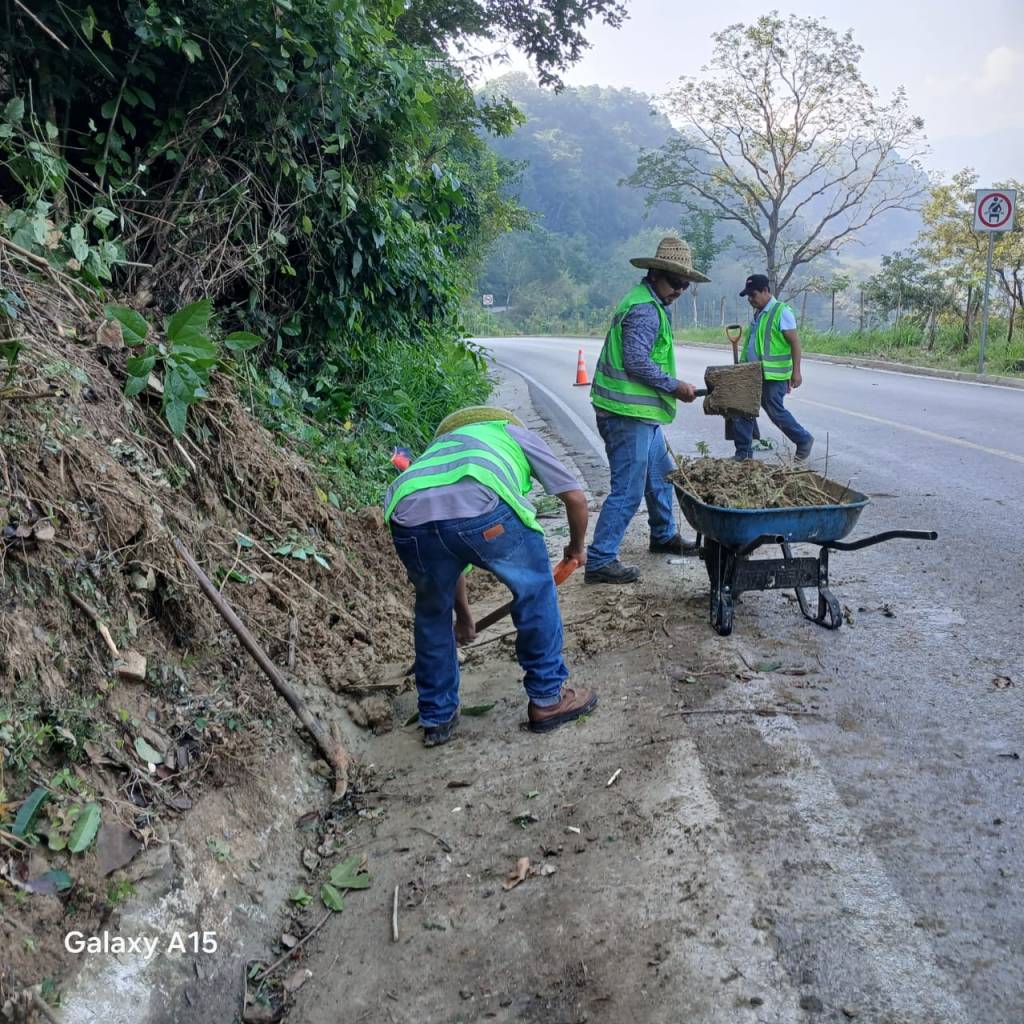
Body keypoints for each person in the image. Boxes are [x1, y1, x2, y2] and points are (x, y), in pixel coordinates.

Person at [384, 406, 595, 747]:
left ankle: (437, 717)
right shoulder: (511, 432)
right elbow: (575, 498)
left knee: (432, 614)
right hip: (484, 512)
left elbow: (452, 552)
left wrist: (463, 617)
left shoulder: (437, 452)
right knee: (535, 592)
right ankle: (548, 699)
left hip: (408, 520)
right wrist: (576, 548)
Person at [585, 236, 707, 585]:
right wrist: (674, 386)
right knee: (628, 489)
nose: (680, 290)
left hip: (641, 415)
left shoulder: (651, 302)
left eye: (685, 285)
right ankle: (600, 559)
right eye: (675, 282)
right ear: (655, 274)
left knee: (661, 475)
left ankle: (663, 534)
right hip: (625, 415)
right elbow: (636, 361)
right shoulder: (644, 310)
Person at [734, 274, 814, 461]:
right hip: (752, 372)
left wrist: (796, 372)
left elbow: (794, 343)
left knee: (774, 409)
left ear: (765, 291)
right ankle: (743, 455)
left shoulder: (781, 311)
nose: (750, 299)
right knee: (743, 408)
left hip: (774, 375)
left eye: (753, 295)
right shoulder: (759, 314)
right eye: (748, 296)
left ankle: (803, 439)